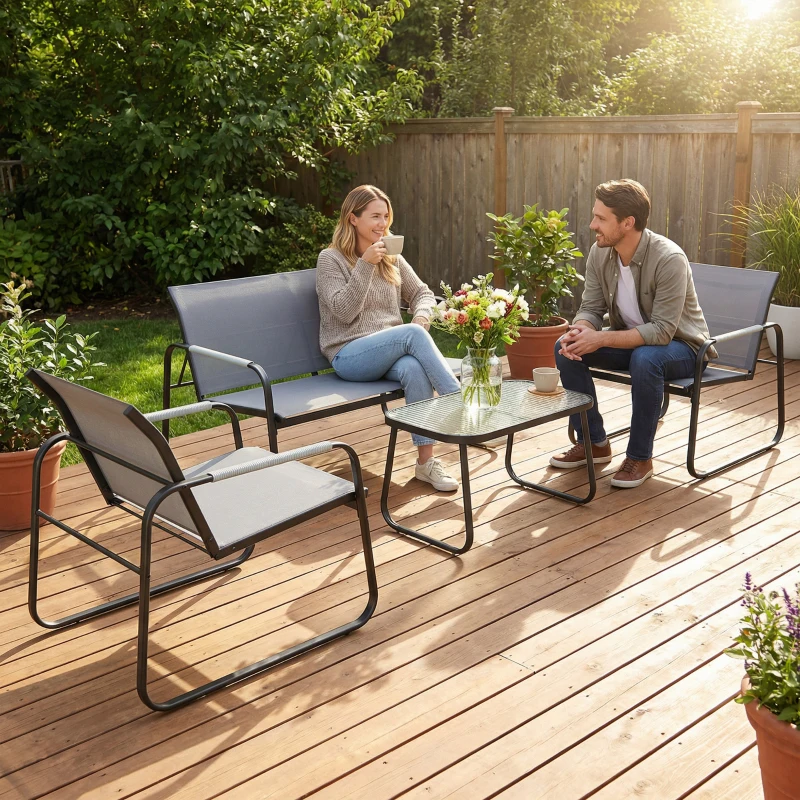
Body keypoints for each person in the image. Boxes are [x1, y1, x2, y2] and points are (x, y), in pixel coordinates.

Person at [551, 179, 716, 488]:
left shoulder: (669, 259)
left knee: (646, 358)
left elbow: (663, 331)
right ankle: (593, 443)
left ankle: (640, 457)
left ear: (627, 223)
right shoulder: (600, 253)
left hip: (685, 349)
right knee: (565, 346)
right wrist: (581, 330)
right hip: (633, 344)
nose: (592, 225)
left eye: (601, 218)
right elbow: (590, 307)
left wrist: (600, 338)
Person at [316, 184, 462, 491]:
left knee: (414, 368)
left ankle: (425, 463)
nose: (382, 224)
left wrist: (421, 317)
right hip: (348, 355)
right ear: (353, 218)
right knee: (411, 334)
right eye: (375, 216)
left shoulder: (390, 256)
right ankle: (459, 402)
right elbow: (343, 312)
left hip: (390, 353)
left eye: (385, 216)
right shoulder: (330, 259)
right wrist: (365, 265)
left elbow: (422, 293)